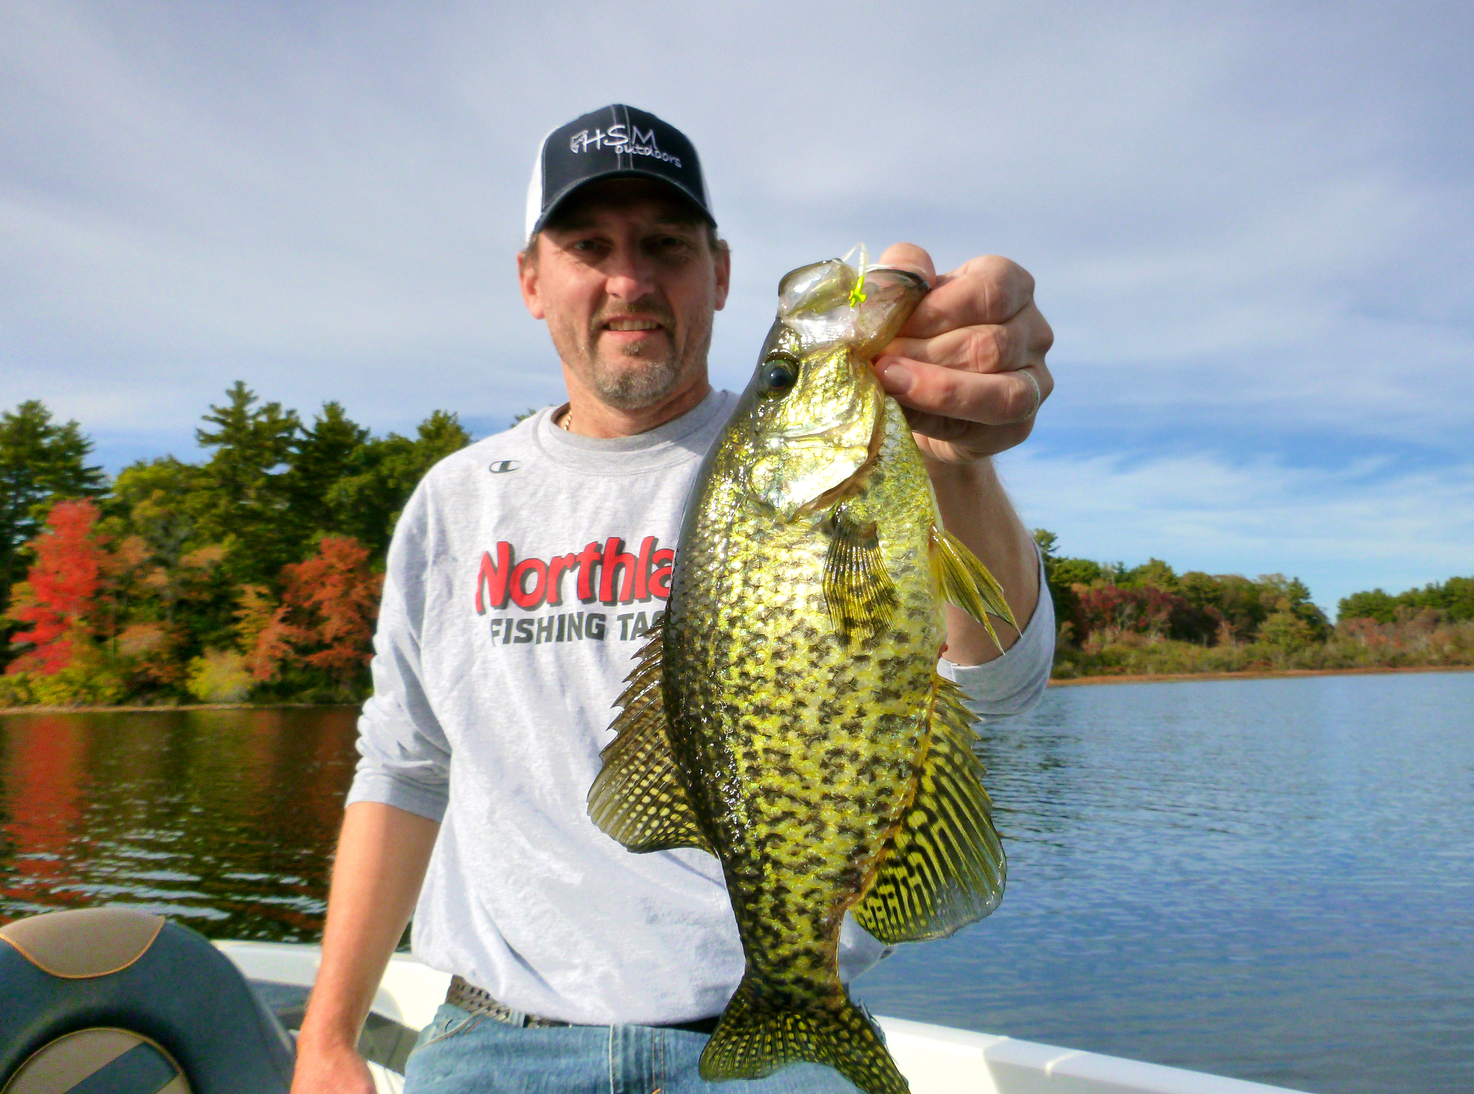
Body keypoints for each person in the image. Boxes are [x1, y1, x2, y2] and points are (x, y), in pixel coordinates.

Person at [291, 104, 1056, 1094]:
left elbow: (1000, 685)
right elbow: (403, 768)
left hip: (755, 1048)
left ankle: (796, 993)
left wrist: (954, 463)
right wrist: (326, 1035)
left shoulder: (861, 452)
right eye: (589, 245)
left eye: (664, 244)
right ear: (532, 278)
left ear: (721, 271)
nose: (630, 278)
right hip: (492, 1041)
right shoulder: (455, 503)